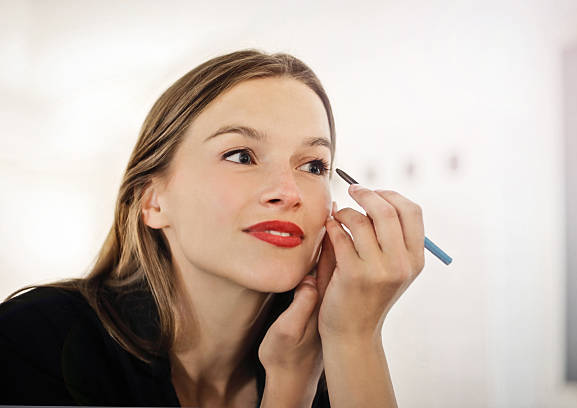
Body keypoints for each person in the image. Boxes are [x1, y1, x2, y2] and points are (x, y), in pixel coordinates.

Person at [0, 49, 426, 407]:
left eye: (314, 165)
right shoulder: (35, 339)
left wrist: (354, 340)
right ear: (152, 201)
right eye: (241, 155)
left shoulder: (328, 359)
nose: (288, 191)